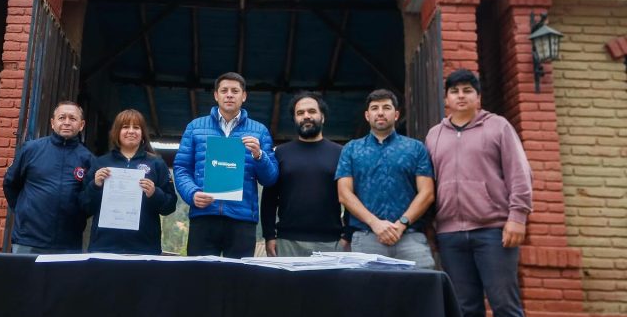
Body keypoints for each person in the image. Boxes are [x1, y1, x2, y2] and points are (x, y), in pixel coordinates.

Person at [426, 69, 532, 317]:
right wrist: (432, 228)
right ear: (446, 98)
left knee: (505, 306)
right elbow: (428, 185)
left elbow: (519, 173)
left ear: (478, 97)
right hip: (450, 235)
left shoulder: (498, 126)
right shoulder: (434, 135)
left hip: (494, 232)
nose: (461, 96)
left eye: (467, 90)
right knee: (465, 308)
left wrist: (517, 216)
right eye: (455, 91)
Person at [173, 72, 279, 258]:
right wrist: (192, 193)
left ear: (243, 96)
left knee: (238, 281)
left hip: (242, 219)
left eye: (235, 91)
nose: (229, 94)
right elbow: (181, 168)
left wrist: (259, 155)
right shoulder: (195, 127)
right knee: (200, 278)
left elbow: (270, 179)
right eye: (224, 90)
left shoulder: (259, 131)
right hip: (204, 215)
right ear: (216, 95)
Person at [335, 89, 436, 268]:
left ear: (396, 114)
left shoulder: (416, 148)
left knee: (420, 292)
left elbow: (427, 193)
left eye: (386, 107)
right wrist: (376, 224)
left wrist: (401, 224)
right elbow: (344, 194)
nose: (380, 112)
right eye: (375, 108)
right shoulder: (351, 149)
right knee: (368, 295)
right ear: (367, 115)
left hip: (410, 237)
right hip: (366, 236)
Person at [261, 91, 348, 257]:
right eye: (300, 113)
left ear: (323, 117)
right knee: (288, 285)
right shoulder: (280, 153)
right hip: (287, 241)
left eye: (312, 111)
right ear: (294, 119)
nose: (306, 116)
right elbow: (269, 198)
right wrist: (269, 235)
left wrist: (347, 234)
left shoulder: (341, 153)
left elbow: (351, 195)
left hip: (331, 241)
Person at [79, 109, 177, 254]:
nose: (131, 131)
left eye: (136, 127)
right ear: (116, 132)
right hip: (104, 246)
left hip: (144, 247)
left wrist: (154, 193)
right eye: (125, 127)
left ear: (142, 133)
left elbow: (170, 206)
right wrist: (95, 185)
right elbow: (84, 207)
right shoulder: (100, 163)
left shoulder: (156, 163)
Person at [3, 101, 93, 254]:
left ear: (81, 125)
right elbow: (10, 184)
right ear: (52, 123)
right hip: (28, 239)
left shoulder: (88, 159)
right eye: (61, 117)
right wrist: (24, 211)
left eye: (72, 118)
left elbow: (89, 202)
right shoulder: (31, 149)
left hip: (67, 244)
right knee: (25, 279)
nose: (66, 122)